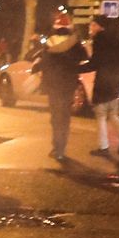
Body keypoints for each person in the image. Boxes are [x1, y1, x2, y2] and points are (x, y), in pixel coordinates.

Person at [34, 15, 87, 165]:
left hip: (52, 85)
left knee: (55, 116)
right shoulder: (74, 44)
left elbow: (44, 62)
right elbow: (84, 56)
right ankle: (61, 148)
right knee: (65, 116)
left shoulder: (49, 43)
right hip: (68, 85)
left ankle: (56, 146)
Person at [85, 13, 119, 159]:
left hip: (103, 82)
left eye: (93, 24)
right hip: (115, 83)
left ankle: (103, 147)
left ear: (99, 26)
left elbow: (95, 63)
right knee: (112, 113)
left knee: (100, 115)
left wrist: (76, 68)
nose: (90, 27)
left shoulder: (99, 40)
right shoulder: (117, 40)